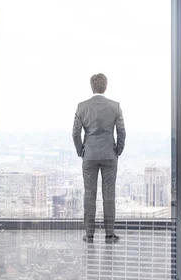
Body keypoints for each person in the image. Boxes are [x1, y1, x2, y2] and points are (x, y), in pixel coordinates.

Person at [72, 73, 126, 244]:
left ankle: (89, 235)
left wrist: (81, 151)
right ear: (105, 86)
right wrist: (118, 150)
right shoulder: (115, 107)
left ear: (91, 87)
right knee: (109, 194)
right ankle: (109, 235)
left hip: (89, 156)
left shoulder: (82, 107)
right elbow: (122, 131)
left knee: (90, 194)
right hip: (109, 154)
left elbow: (75, 133)